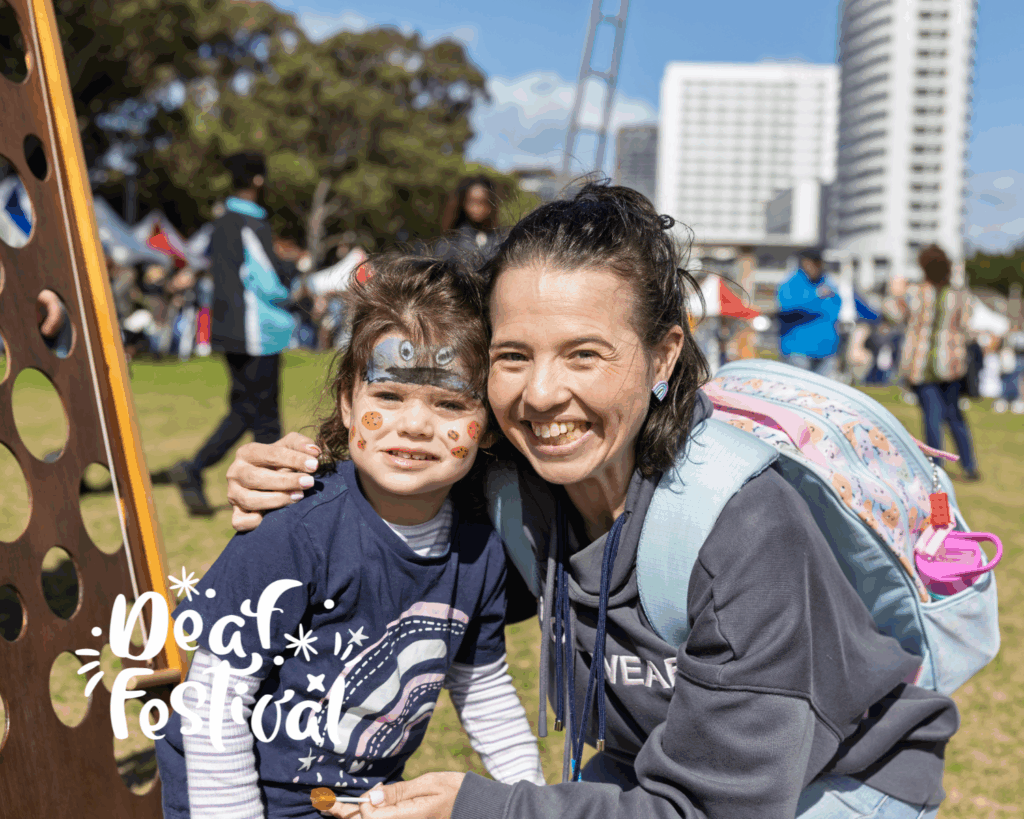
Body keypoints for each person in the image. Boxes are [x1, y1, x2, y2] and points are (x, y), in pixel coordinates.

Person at [224, 184, 957, 819]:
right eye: (514, 356)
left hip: (825, 788)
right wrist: (302, 478)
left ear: (664, 355)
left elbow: (710, 809)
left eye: (584, 354)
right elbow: (393, 509)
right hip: (652, 771)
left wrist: (485, 807)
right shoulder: (514, 488)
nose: (542, 394)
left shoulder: (746, 532)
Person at [155, 255, 545, 819]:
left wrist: (532, 802)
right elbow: (215, 698)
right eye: (388, 396)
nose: (415, 424)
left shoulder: (481, 548)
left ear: (487, 425)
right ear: (346, 402)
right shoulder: (294, 529)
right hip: (242, 798)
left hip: (359, 803)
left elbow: (483, 690)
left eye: (450, 404)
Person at [170, 152, 305, 515]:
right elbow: (269, 280)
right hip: (257, 329)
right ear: (258, 180)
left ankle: (258, 489)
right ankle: (201, 469)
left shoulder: (219, 223)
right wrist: (293, 286)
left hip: (229, 328)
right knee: (263, 414)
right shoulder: (250, 222)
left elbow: (196, 259)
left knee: (250, 410)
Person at [884, 245, 980, 481]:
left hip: (921, 364)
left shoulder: (915, 293)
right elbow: (968, 328)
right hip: (952, 364)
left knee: (932, 416)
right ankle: (969, 466)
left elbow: (894, 316)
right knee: (954, 416)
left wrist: (894, 294)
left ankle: (936, 468)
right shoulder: (959, 296)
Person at [776, 248, 842, 377]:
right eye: (812, 262)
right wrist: (816, 296)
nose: (815, 266)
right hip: (798, 350)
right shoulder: (791, 283)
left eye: (818, 262)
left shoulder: (828, 283)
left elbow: (836, 309)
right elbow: (787, 307)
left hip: (826, 350)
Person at [436, 176, 503, 265]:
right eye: (471, 202)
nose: (476, 208)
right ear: (463, 203)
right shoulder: (450, 242)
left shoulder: (501, 241)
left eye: (482, 202)